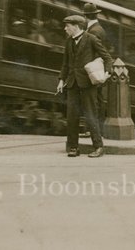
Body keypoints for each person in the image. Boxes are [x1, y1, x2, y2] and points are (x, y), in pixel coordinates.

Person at [57, 14, 113, 159]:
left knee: (90, 115)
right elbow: (65, 63)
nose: (65, 29)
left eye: (67, 26)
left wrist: (107, 73)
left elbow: (107, 57)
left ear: (76, 26)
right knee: (72, 116)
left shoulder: (91, 39)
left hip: (87, 83)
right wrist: (61, 80)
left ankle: (99, 147)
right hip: (72, 83)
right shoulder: (69, 41)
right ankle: (73, 147)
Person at [82, 3, 110, 120]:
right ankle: (96, 128)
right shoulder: (98, 28)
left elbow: (93, 51)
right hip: (97, 67)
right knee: (97, 99)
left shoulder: (93, 31)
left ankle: (94, 128)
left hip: (93, 69)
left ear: (86, 16)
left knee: (93, 100)